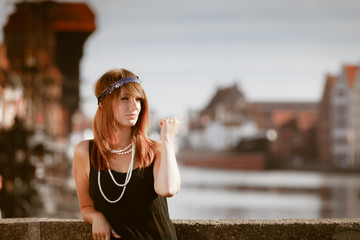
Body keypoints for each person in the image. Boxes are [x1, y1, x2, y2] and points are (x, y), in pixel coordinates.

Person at [73, 68, 181, 240]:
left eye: (138, 99)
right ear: (103, 103)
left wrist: (167, 139)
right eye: (125, 99)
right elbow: (86, 206)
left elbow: (168, 189)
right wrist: (96, 217)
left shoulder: (156, 150)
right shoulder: (84, 152)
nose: (134, 106)